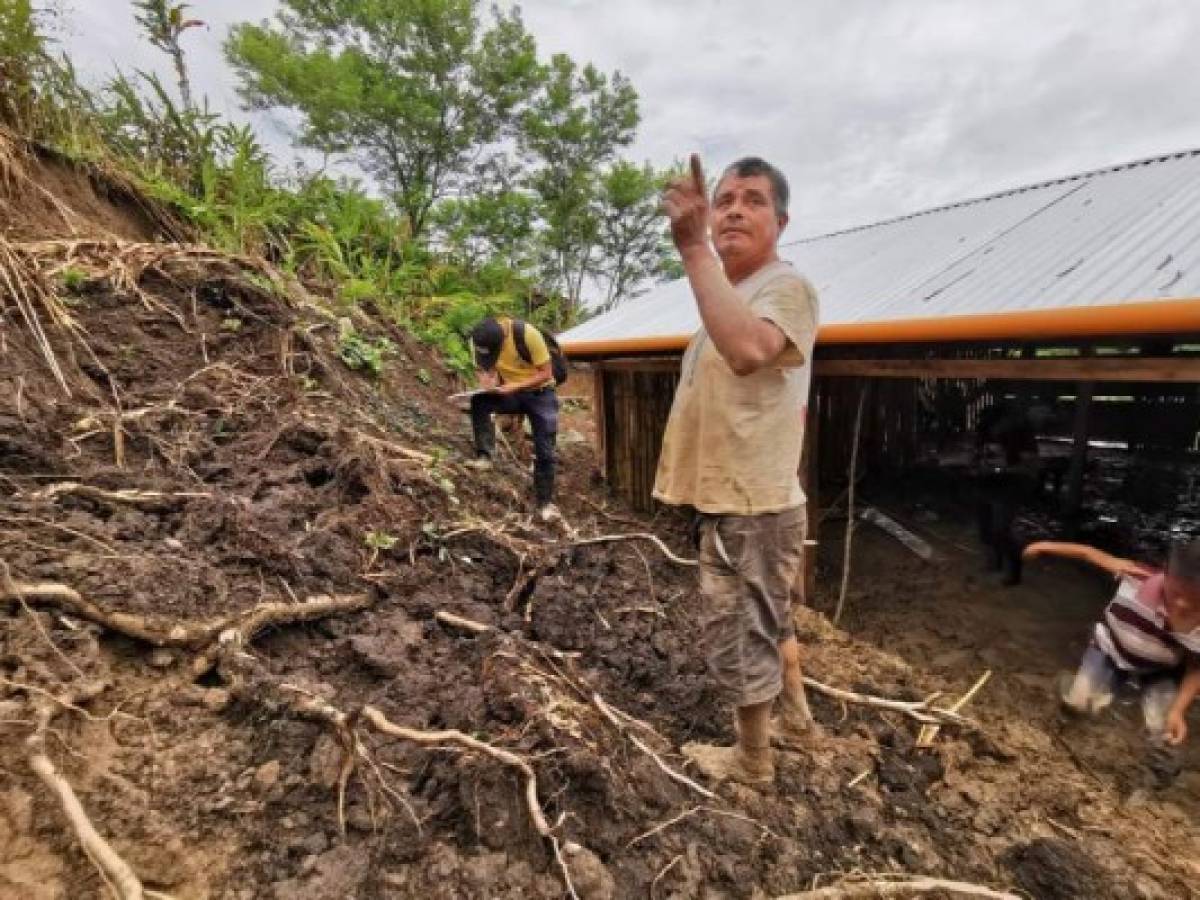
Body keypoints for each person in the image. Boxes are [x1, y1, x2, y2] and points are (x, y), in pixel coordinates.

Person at [655, 155, 820, 786]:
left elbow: (750, 351)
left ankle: (753, 762)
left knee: (740, 634)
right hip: (742, 499)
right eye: (723, 199)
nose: (732, 210)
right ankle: (798, 721)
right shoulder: (732, 295)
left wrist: (693, 247)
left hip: (753, 506)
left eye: (751, 200)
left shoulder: (785, 287)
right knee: (769, 618)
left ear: (780, 220)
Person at [1024, 538, 1200, 786]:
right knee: (1080, 704)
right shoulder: (1135, 576)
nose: (1182, 605)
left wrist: (1178, 710)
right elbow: (1087, 553)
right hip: (1110, 649)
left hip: (1160, 670)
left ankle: (1157, 782)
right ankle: (1064, 718)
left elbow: (1195, 667)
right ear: (1165, 573)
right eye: (1177, 593)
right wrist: (1043, 546)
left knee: (1165, 728)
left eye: (1195, 602)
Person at [465, 316, 561, 522]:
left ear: (503, 338)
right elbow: (485, 370)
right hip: (511, 393)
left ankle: (544, 504)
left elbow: (546, 373)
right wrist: (487, 383)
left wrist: (515, 386)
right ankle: (485, 456)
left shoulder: (527, 335)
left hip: (541, 394)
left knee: (545, 450)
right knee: (479, 402)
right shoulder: (481, 340)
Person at [975, 401, 1041, 586]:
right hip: (990, 482)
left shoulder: (1021, 435)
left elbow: (1030, 464)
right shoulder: (984, 431)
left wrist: (1003, 466)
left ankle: (1014, 572)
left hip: (1013, 483)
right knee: (985, 526)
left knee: (1001, 530)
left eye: (999, 424)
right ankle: (994, 563)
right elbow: (980, 457)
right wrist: (983, 466)